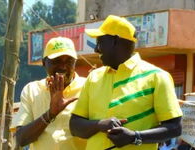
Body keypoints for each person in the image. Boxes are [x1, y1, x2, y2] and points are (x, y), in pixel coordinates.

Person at [70, 15, 183, 150]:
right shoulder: (94, 77)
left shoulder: (157, 77)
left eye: (100, 42)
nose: (96, 49)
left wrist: (135, 137)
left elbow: (174, 127)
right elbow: (74, 126)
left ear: (115, 41)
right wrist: (99, 124)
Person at [11, 37, 86, 150]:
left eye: (69, 61)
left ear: (75, 63)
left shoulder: (88, 86)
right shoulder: (32, 90)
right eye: (56, 61)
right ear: (44, 63)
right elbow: (21, 139)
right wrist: (50, 114)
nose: (63, 67)